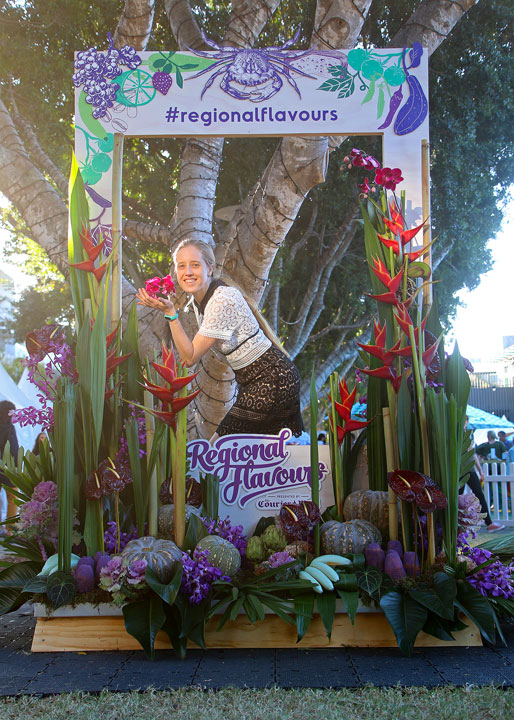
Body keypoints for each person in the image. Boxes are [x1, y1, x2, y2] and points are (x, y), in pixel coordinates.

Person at [136, 238, 304, 441]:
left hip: (271, 380)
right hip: (260, 380)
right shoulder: (202, 303)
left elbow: (189, 358)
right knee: (269, 459)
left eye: (195, 265)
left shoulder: (221, 299)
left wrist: (171, 314)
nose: (188, 271)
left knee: (219, 450)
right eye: (182, 266)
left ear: (210, 268)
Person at [0, 400, 20, 526]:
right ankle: (10, 529)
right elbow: (14, 449)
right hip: (7, 468)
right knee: (13, 497)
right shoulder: (10, 429)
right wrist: (17, 466)